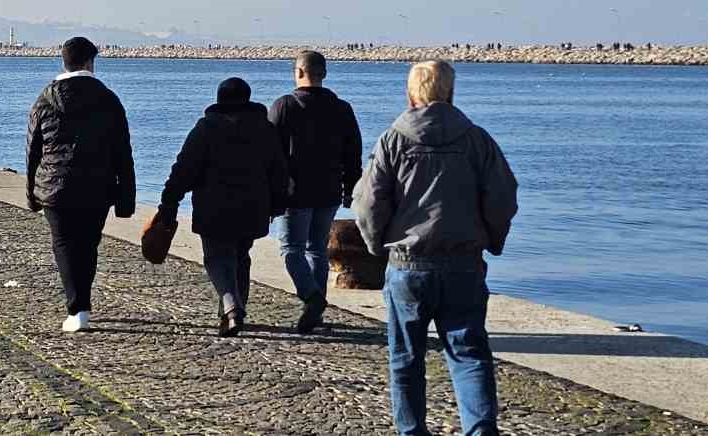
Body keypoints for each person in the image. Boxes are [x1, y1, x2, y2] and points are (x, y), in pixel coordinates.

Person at [353, 60, 518, 436]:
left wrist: (378, 244)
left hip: (408, 265)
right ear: (451, 93)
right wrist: (493, 238)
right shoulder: (477, 140)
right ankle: (479, 430)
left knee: (405, 359)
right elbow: (503, 196)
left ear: (411, 94)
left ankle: (411, 431)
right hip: (463, 262)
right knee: (469, 354)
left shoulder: (392, 140)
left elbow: (367, 202)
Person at [158, 77, 287, 336]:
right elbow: (279, 169)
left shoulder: (206, 128)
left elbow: (185, 168)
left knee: (217, 258)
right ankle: (231, 312)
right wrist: (278, 203)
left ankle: (231, 307)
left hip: (213, 207)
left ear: (219, 99)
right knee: (240, 256)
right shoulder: (264, 129)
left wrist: (169, 201)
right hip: (254, 206)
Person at [25, 36, 136, 333]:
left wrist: (32, 194)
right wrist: (126, 198)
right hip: (97, 187)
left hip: (54, 186)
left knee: (63, 244)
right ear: (90, 62)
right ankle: (82, 305)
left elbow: (33, 150)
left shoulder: (45, 99)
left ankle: (77, 308)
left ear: (64, 61)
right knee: (88, 245)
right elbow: (123, 152)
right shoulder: (108, 99)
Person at [268, 49, 363, 332]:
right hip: (329, 191)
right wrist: (350, 188)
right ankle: (315, 309)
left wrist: (273, 188)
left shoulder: (284, 106)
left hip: (294, 192)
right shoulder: (342, 109)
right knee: (317, 250)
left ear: (298, 72)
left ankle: (312, 299)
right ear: (323, 74)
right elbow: (353, 153)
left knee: (291, 249)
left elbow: (272, 152)